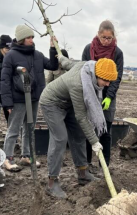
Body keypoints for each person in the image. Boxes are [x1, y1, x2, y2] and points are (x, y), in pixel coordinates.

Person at [40, 55, 118, 198]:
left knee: (79, 134)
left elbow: (69, 64)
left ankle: (83, 173)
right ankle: (52, 183)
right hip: (51, 102)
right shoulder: (79, 84)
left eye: (110, 81)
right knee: (60, 138)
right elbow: (81, 117)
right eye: (105, 80)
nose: (107, 84)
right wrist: (95, 142)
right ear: (97, 75)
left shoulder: (87, 66)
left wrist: (61, 58)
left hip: (68, 103)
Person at [1, 25, 58, 172]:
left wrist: (53, 48)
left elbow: (52, 65)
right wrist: (7, 102)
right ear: (20, 39)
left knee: (29, 127)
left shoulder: (37, 55)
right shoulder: (11, 56)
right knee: (14, 128)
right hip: (18, 99)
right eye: (28, 37)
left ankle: (26, 155)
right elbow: (5, 80)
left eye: (32, 37)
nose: (31, 40)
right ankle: (8, 158)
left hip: (33, 98)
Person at [82, 20, 123, 170]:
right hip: (91, 94)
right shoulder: (89, 49)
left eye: (109, 38)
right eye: (103, 38)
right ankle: (86, 163)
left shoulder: (117, 53)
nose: (106, 41)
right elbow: (84, 71)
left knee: (105, 131)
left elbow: (117, 77)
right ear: (98, 35)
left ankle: (104, 164)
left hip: (108, 97)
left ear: (113, 37)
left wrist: (109, 96)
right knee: (89, 129)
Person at [0, 35, 12, 123]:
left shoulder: (10, 58)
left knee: (10, 117)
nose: (8, 50)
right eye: (6, 48)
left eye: (10, 48)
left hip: (7, 92)